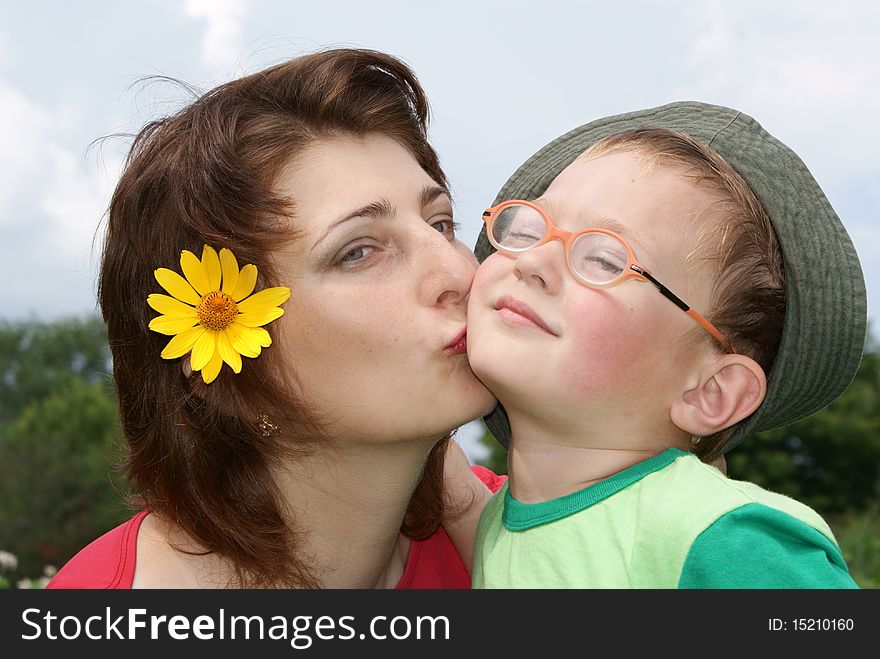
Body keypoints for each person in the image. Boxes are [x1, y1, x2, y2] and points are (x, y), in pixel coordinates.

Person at [47, 48, 503, 589]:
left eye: (441, 223)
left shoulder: (537, 526)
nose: (458, 269)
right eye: (357, 251)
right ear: (216, 348)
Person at [466, 101, 866, 588]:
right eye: (528, 229)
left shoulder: (723, 536)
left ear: (711, 391)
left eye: (606, 260)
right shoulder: (490, 528)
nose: (533, 261)